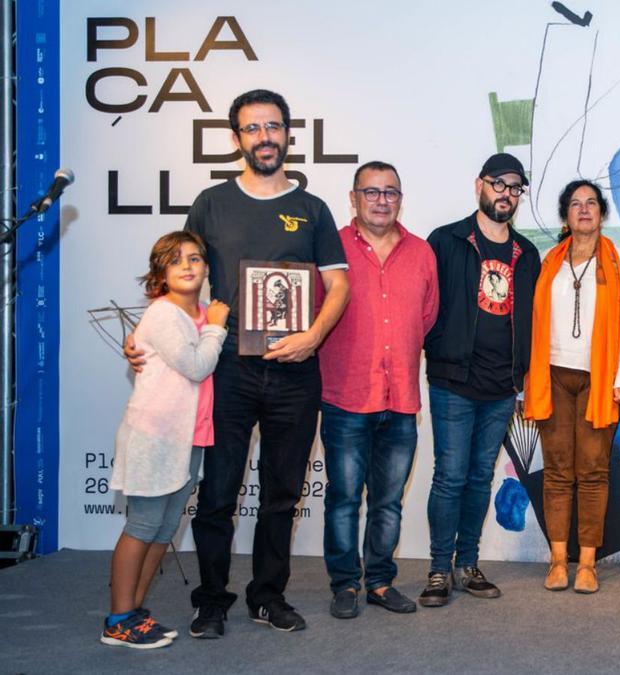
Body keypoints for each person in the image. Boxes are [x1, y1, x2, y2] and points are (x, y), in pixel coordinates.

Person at [126, 89, 350, 637]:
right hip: (227, 370)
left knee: (281, 493)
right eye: (253, 129)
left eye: (273, 127)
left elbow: (338, 283)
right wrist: (148, 333)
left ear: (288, 135)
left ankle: (267, 596)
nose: (264, 138)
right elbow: (182, 277)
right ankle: (211, 600)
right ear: (237, 139)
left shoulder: (312, 208)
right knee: (219, 493)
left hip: (296, 371)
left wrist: (314, 336)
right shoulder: (211, 203)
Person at [420, 153, 541, 607]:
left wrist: (524, 378)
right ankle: (437, 569)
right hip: (454, 380)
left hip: (501, 387)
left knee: (478, 479)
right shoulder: (447, 241)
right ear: (479, 186)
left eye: (515, 187)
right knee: (450, 477)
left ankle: (467, 564)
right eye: (499, 184)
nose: (506, 194)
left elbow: (530, 320)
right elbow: (426, 305)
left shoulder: (526, 254)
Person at [320, 162, 438, 619]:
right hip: (346, 397)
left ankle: (380, 582)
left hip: (401, 399)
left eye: (390, 192)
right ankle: (345, 585)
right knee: (345, 499)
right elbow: (314, 313)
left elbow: (426, 319)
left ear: (400, 198)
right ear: (353, 198)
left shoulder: (422, 253)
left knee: (388, 502)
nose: (381, 200)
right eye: (371, 192)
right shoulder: (330, 247)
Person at [105, 231, 229, 649]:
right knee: (142, 525)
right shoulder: (164, 315)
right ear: (161, 273)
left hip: (187, 438)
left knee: (163, 529)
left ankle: (134, 612)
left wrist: (208, 323)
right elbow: (195, 366)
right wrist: (216, 329)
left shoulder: (194, 314)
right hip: (154, 437)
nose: (189, 266)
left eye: (195, 258)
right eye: (177, 261)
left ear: (207, 268)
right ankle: (118, 618)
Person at [524, 180, 620, 594]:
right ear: (565, 215)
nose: (584, 210)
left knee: (592, 470)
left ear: (602, 214)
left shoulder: (618, 259)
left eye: (592, 203)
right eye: (576, 204)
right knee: (556, 471)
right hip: (552, 375)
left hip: (600, 378)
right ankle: (558, 561)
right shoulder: (549, 260)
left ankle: (587, 563)